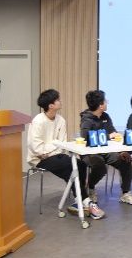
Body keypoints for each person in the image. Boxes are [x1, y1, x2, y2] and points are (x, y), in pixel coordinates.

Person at [27, 89, 105, 219]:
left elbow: (62, 144)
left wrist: (51, 148)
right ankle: (85, 201)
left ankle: (80, 201)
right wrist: (54, 146)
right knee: (70, 168)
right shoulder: (38, 121)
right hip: (39, 159)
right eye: (57, 100)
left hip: (56, 155)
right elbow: (36, 148)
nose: (60, 101)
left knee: (81, 165)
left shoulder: (61, 120)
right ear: (51, 105)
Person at [79, 90, 132, 205]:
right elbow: (86, 137)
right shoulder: (86, 119)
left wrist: (121, 151)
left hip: (107, 151)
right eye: (105, 101)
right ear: (100, 105)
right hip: (90, 153)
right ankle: (90, 187)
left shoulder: (105, 116)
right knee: (100, 166)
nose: (107, 103)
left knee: (125, 160)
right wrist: (108, 136)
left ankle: (126, 193)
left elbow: (113, 133)